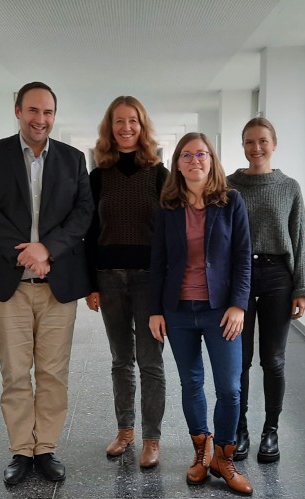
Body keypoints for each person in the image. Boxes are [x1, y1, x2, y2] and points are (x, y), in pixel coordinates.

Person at [0, 82, 93, 486]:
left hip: (58, 284)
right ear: (18, 110)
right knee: (15, 372)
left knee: (54, 372)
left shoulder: (74, 160)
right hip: (10, 284)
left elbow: (82, 214)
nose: (41, 119)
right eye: (34, 111)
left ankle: (47, 449)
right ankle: (22, 450)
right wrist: (23, 252)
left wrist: (47, 250)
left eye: (48, 112)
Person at [148, 132, 253, 495]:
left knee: (230, 388)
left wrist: (239, 304)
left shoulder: (232, 202)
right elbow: (157, 262)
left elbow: (243, 257)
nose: (195, 160)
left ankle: (225, 459)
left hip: (221, 310)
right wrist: (154, 311)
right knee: (191, 383)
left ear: (212, 160)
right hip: (178, 312)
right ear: (177, 163)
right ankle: (201, 454)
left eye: (202, 154)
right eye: (187, 154)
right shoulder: (168, 207)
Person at [228, 117, 305, 463]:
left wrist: (303, 288)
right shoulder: (228, 185)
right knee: (239, 359)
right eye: (249, 141)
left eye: (262, 141)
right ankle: (240, 429)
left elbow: (300, 238)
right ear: (243, 146)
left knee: (273, 360)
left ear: (274, 144)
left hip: (278, 276)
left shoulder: (289, 187)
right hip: (239, 275)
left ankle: (270, 430)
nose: (256, 148)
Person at [85, 96, 168, 469]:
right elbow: (88, 232)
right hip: (110, 277)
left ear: (142, 125)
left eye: (132, 121)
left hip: (150, 280)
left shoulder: (161, 175)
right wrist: (91, 282)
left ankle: (152, 438)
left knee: (150, 361)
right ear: (110, 127)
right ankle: (125, 431)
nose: (126, 127)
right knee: (121, 360)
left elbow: (170, 236)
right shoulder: (98, 176)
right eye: (119, 121)